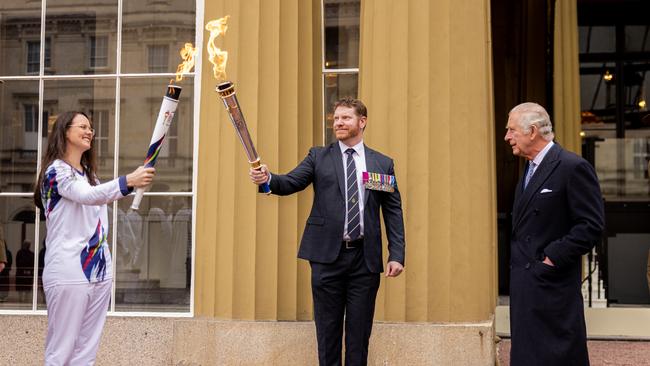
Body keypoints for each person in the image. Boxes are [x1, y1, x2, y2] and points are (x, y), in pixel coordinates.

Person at [249, 98, 405, 366]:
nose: (339, 123)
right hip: (326, 260)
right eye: (335, 119)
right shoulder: (318, 157)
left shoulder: (381, 164)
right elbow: (290, 182)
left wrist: (397, 254)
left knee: (359, 336)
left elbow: (392, 211)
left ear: (362, 122)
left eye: (345, 118)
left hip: (364, 262)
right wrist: (268, 179)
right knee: (328, 333)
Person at [33, 111, 155, 365]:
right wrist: (128, 181)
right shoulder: (56, 172)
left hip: (99, 270)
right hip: (68, 270)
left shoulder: (89, 174)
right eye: (83, 126)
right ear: (65, 131)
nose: (90, 131)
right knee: (62, 350)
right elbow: (87, 196)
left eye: (91, 128)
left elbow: (97, 198)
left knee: (86, 352)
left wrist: (132, 184)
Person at [504, 102, 604, 366]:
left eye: (512, 130)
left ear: (533, 131)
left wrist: (551, 258)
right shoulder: (528, 169)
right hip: (527, 285)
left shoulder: (572, 166)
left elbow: (591, 225)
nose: (507, 137)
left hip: (552, 284)